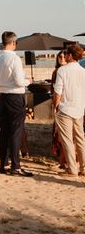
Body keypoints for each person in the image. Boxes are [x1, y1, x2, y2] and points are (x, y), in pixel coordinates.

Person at [0, 31, 33, 177]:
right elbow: (19, 81)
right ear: (14, 43)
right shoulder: (14, 59)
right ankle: (16, 166)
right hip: (15, 97)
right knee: (16, 132)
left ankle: (3, 164)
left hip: (3, 96)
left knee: (4, 132)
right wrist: (29, 81)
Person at [52, 43, 85, 177]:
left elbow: (57, 92)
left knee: (67, 140)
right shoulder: (83, 71)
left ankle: (72, 169)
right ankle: (83, 167)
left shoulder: (62, 71)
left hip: (66, 108)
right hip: (79, 108)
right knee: (80, 138)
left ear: (70, 55)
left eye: (66, 54)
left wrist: (55, 106)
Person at [51, 50, 68, 168]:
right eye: (59, 57)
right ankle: (61, 159)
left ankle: (65, 160)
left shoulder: (67, 71)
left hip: (66, 105)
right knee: (57, 134)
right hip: (58, 104)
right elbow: (54, 90)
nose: (61, 58)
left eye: (63, 56)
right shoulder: (56, 72)